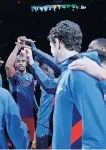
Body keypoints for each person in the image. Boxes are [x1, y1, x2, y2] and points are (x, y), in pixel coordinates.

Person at [47, 20, 106, 149]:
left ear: (57, 42)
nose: (51, 51)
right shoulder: (69, 71)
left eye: (50, 45)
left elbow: (96, 138)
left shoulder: (78, 73)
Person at [5, 37, 38, 149]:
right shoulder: (14, 77)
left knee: (32, 146)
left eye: (23, 61)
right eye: (18, 61)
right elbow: (8, 66)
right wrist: (18, 46)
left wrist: (37, 110)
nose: (20, 63)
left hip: (30, 116)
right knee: (19, 146)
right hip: (18, 116)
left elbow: (31, 95)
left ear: (26, 62)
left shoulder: (30, 77)